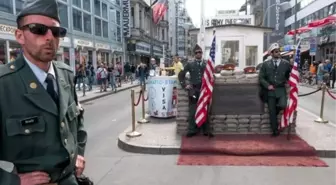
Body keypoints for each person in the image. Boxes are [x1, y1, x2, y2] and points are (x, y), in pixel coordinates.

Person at [0, 0, 87, 184]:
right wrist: (11, 180)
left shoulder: (66, 75)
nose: (49, 37)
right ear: (19, 35)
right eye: (38, 29)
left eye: (56, 32)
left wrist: (78, 153)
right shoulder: (4, 84)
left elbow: (77, 122)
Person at [178, 44, 214, 138]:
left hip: (204, 89)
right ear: (194, 54)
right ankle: (191, 130)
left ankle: (205, 130)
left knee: (204, 109)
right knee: (193, 110)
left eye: (200, 52)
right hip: (194, 90)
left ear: (202, 53)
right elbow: (181, 75)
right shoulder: (190, 64)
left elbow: (211, 75)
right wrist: (185, 85)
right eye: (196, 53)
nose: (198, 54)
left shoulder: (206, 64)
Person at [258, 43, 291, 137]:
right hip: (270, 91)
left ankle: (276, 111)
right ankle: (275, 130)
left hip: (281, 90)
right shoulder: (265, 64)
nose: (278, 53)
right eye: (276, 51)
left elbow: (290, 75)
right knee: (271, 111)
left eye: (278, 51)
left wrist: (290, 81)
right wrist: (267, 85)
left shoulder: (286, 64)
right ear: (271, 53)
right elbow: (261, 78)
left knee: (283, 105)